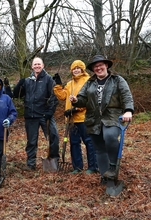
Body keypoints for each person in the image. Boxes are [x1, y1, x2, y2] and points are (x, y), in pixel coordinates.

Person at [69, 55, 133, 184]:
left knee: (109, 136)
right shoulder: (90, 83)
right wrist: (76, 100)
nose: (98, 68)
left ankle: (113, 166)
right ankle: (105, 176)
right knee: (99, 148)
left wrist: (128, 111)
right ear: (93, 69)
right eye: (95, 66)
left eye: (100, 65)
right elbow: (82, 99)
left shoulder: (117, 80)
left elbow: (126, 96)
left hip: (112, 117)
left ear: (106, 65)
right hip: (93, 119)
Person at [13, 57, 60, 170]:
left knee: (53, 136)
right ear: (32, 66)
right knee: (31, 141)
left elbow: (54, 97)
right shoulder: (28, 81)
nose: (37, 66)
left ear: (43, 65)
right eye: (35, 64)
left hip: (45, 115)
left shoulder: (48, 79)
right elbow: (16, 94)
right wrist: (19, 85)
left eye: (39, 64)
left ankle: (54, 161)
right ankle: (31, 164)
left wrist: (50, 111)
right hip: (31, 115)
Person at [53, 60, 98, 174]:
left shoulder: (88, 81)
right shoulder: (70, 84)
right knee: (74, 143)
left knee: (89, 142)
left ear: (82, 69)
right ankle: (77, 167)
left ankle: (93, 167)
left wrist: (76, 108)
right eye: (74, 68)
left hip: (84, 118)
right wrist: (58, 85)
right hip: (71, 120)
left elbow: (90, 100)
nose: (76, 70)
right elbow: (63, 96)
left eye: (78, 68)